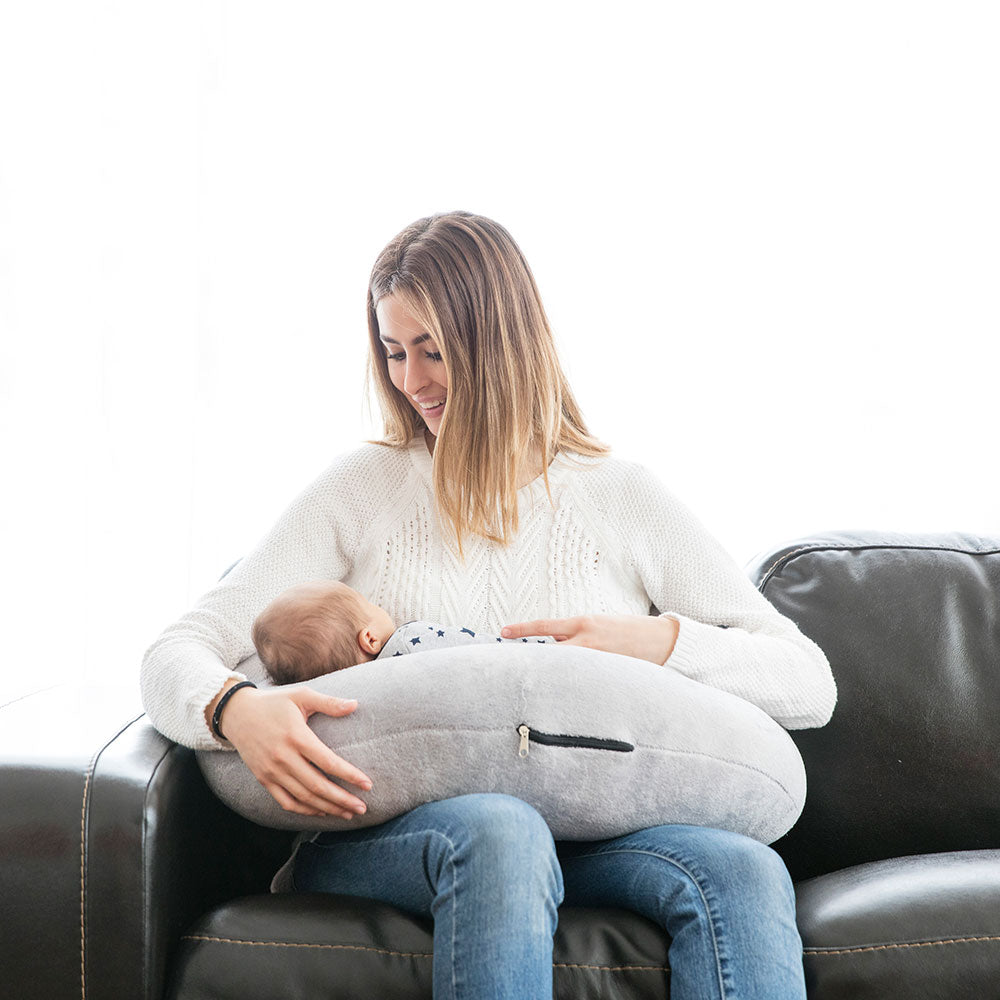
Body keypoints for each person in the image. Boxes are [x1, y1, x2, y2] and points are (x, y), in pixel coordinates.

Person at [140, 210, 837, 1000]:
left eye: (432, 351)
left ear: (502, 342)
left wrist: (656, 643)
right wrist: (234, 708)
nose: (411, 381)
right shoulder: (361, 489)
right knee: (505, 830)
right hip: (401, 830)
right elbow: (179, 647)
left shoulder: (621, 498)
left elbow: (807, 683)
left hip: (604, 831)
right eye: (394, 352)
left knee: (742, 869)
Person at [252, 578, 552, 685]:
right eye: (368, 603)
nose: (378, 605)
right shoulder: (410, 643)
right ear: (369, 638)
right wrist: (549, 644)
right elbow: (491, 650)